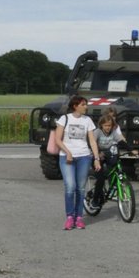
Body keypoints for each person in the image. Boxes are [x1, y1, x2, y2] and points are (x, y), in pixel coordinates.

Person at [54, 95, 101, 230]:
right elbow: (58, 139)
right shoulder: (65, 119)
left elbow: (92, 141)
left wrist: (96, 158)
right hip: (66, 157)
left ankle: (79, 217)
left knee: (80, 188)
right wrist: (67, 152)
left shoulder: (88, 120)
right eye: (83, 104)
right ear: (75, 106)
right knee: (70, 187)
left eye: (86, 104)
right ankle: (70, 217)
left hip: (84, 156)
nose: (86, 107)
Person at [93, 109, 126, 181]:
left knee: (113, 168)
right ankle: (98, 189)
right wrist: (98, 154)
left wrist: (130, 148)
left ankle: (113, 184)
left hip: (111, 151)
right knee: (100, 177)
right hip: (99, 152)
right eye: (110, 116)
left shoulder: (115, 128)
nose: (112, 118)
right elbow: (93, 143)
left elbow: (121, 139)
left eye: (114, 116)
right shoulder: (98, 131)